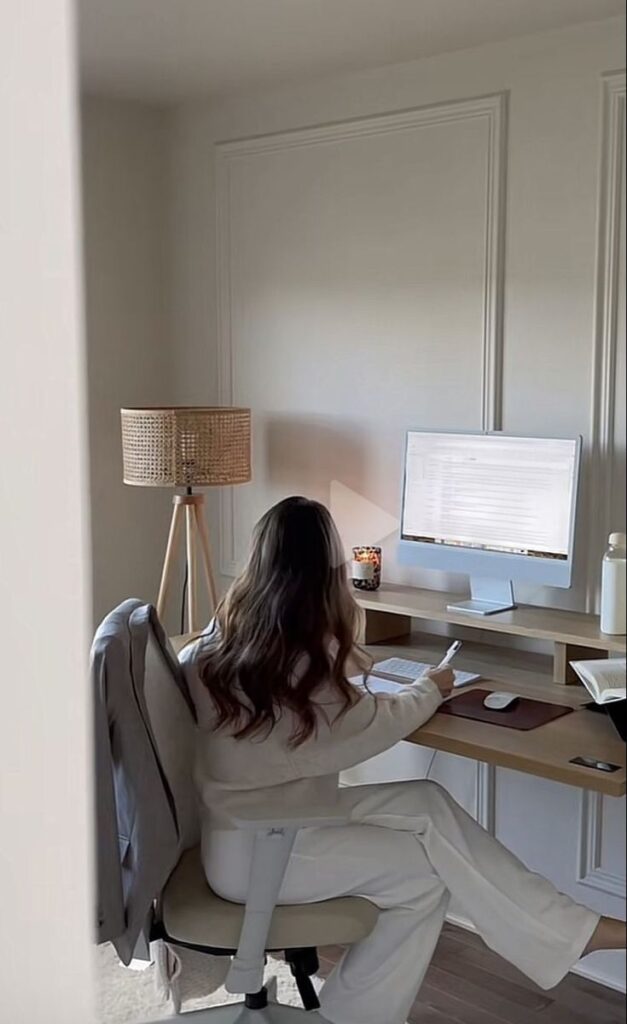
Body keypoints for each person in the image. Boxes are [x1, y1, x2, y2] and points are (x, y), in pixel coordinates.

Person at [180, 496, 626, 1024]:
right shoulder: (298, 668)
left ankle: (572, 932)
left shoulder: (214, 647)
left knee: (426, 801)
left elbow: (325, 726)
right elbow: (369, 728)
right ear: (324, 574)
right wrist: (430, 687)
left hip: (254, 824)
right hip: (268, 848)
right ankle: (352, 1018)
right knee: (423, 879)